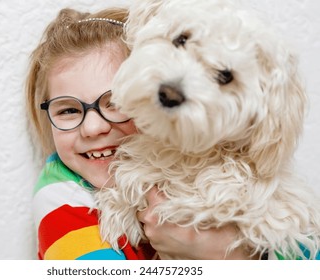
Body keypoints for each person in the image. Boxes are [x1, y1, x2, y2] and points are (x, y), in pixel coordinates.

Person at [26, 6, 258, 260]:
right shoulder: (61, 201)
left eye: (115, 102)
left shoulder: (221, 170)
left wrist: (239, 255)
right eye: (69, 110)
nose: (92, 128)